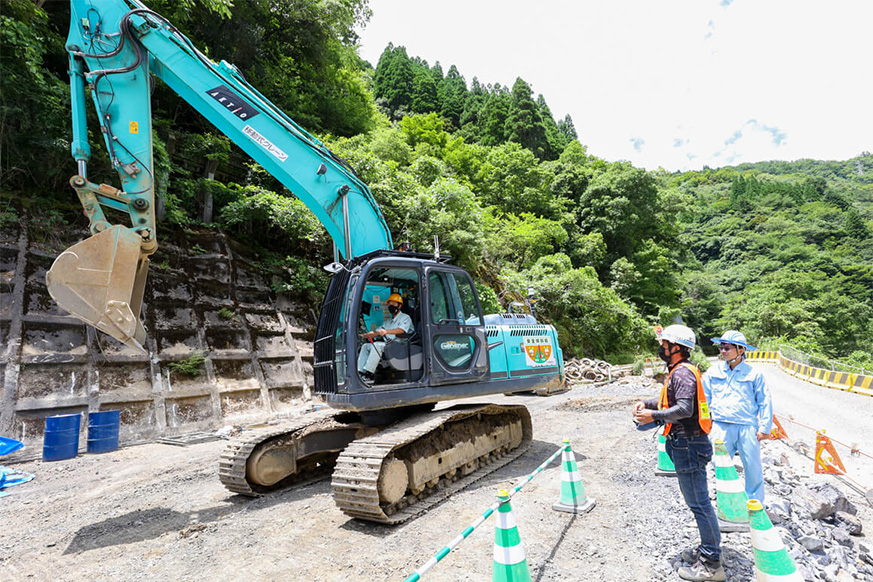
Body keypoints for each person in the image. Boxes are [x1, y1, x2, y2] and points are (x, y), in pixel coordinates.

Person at [633, 324, 725, 582]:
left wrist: (653, 415)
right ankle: (709, 550)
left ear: (676, 348)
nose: (661, 348)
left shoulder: (682, 374)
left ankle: (711, 563)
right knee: (699, 502)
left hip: (689, 445)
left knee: (699, 504)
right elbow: (670, 402)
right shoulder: (680, 372)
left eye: (664, 344)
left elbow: (684, 409)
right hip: (687, 444)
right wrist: (648, 404)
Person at [703, 330, 772, 504]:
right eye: (721, 347)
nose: (723, 351)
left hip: (746, 426)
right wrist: (703, 423)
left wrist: (764, 428)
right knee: (720, 464)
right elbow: (704, 398)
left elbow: (764, 401)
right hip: (720, 425)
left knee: (752, 467)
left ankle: (754, 504)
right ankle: (726, 500)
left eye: (727, 348)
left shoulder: (754, 374)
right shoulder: (713, 372)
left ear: (741, 350)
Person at [357, 293, 414, 383]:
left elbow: (402, 330)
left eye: (393, 304)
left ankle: (369, 374)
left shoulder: (405, 318)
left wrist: (386, 331)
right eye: (389, 304)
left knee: (377, 345)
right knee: (365, 346)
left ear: (400, 305)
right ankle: (360, 372)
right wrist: (366, 335)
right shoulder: (388, 322)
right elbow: (377, 331)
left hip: (401, 345)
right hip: (389, 345)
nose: (390, 306)